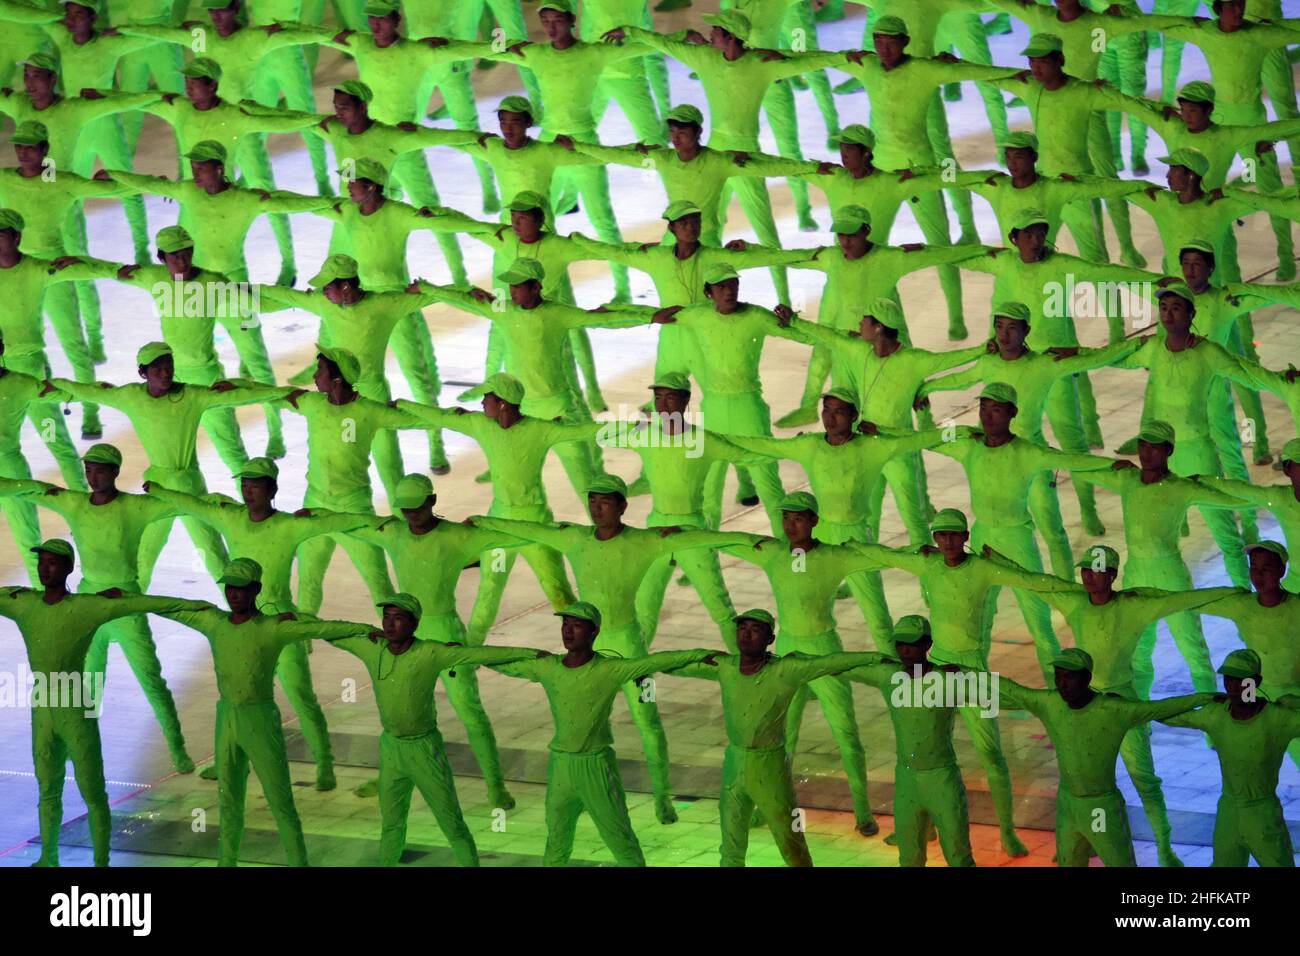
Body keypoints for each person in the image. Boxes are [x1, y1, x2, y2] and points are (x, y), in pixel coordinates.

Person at [470, 473, 757, 823]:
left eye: (605, 501)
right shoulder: (575, 538)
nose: (596, 508)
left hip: (629, 646)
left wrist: (749, 539)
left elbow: (699, 538)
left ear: (622, 505)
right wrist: (483, 521)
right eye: (592, 501)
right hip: (588, 651)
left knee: (647, 720)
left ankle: (662, 797)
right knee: (580, 722)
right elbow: (531, 530)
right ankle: (584, 790)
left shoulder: (643, 541)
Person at [853, 507, 1085, 856]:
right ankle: (921, 824)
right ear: (935, 539)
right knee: (922, 746)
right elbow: (886, 556)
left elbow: (1032, 582)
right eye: (940, 535)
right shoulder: (928, 563)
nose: (946, 542)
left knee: (991, 752)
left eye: (953, 535)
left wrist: (1072, 589)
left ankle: (1007, 832)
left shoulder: (981, 568)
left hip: (970, 667)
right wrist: (846, 545)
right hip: (935, 666)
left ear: (966, 537)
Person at [143, 456, 377, 789]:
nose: (248, 492)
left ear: (272, 490)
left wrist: (370, 521)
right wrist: (160, 490)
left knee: (298, 693)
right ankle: (229, 762)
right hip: (242, 626)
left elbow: (336, 524)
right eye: (245, 485)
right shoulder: (231, 517)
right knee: (238, 698)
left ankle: (325, 763)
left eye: (256, 486)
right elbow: (195, 507)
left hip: (280, 622)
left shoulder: (288, 525)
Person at [154, 558, 375, 866]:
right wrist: (128, 600)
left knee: (280, 799)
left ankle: (299, 862)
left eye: (241, 589)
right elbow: (176, 606)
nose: (233, 594)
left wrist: (366, 629)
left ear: (255, 590)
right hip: (226, 717)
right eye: (230, 587)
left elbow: (321, 627)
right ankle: (226, 861)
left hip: (260, 717)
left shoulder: (273, 628)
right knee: (228, 799)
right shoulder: (214, 622)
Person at [0, 538, 202, 867]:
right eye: (41, 561)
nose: (44, 567)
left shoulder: (86, 606)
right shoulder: (25, 603)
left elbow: (141, 603)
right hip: (43, 710)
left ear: (67, 568)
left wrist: (196, 607)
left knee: (92, 791)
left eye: (52, 562)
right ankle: (48, 856)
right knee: (47, 788)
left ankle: (101, 862)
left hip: (76, 708)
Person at [342, 472, 540, 805]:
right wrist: (308, 518)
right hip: (407, 633)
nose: (411, 516)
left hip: (445, 631)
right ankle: (388, 774)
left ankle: (495, 785)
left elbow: (514, 537)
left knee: (469, 711)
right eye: (405, 510)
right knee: (399, 711)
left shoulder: (457, 536)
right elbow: (350, 524)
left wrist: (496, 522)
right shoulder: (393, 532)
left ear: (432, 501)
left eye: (416, 508)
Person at [1036, 543, 1238, 866]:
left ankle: (1163, 846)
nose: (1088, 576)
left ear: (1113, 575)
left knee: (1144, 778)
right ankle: (1082, 838)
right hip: (1083, 705)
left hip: (1120, 702)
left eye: (1096, 571)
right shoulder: (1076, 602)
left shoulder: (1132, 607)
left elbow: (1176, 601)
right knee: (1082, 776)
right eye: (1085, 570)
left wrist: (1226, 592)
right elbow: (1038, 583)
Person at [0, 445, 197, 772]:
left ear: (116, 472)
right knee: (88, 681)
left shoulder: (135, 507)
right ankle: (78, 748)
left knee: (151, 678)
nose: (92, 477)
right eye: (88, 470)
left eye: (100, 470)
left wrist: (224, 506)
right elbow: (29, 489)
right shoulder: (76, 504)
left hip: (125, 601)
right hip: (88, 601)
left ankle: (177, 748)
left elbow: (184, 508)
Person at [717, 492, 897, 836]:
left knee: (846, 732)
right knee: (783, 735)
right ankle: (773, 806)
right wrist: (684, 531)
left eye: (798, 518)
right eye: (785, 518)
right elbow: (732, 541)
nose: (790, 525)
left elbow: (878, 557)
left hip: (823, 647)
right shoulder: (773, 554)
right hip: (786, 650)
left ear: (814, 521)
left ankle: (863, 810)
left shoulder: (833, 557)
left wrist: (922, 556)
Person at [488, 601, 715, 865]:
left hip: (596, 766)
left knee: (620, 839)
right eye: (565, 625)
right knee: (557, 841)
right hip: (561, 765)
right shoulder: (548, 667)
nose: (568, 632)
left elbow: (654, 661)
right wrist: (466, 654)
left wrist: (700, 653)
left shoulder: (608, 670)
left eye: (576, 626)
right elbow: (504, 663)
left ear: (594, 633)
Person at [320, 592, 541, 865]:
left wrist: (531, 653)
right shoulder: (372, 648)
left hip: (424, 748)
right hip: (391, 747)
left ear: (414, 624)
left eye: (398, 619)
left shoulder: (430, 653)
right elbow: (330, 632)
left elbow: (479, 654)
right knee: (391, 824)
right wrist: (363, 629)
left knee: (451, 822)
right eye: (386, 618)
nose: (389, 625)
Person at [46, 343, 285, 586]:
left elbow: (237, 396)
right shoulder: (131, 396)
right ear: (143, 373)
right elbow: (92, 392)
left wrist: (282, 393)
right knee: (145, 556)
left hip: (189, 486)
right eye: (158, 369)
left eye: (169, 367)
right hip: (157, 489)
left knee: (212, 552)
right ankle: (130, 608)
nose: (165, 373)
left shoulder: (190, 395)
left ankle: (239, 609)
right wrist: (53, 386)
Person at [664, 608, 882, 866]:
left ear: (770, 639)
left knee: (790, 843)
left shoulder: (784, 670)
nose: (746, 635)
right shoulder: (725, 666)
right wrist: (654, 664)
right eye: (742, 629)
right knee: (731, 845)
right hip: (734, 763)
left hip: (770, 766)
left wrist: (877, 656)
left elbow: (830, 662)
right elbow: (677, 665)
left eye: (755, 630)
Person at [930, 382, 1115, 676]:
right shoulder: (970, 448)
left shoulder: (1027, 452)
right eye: (983, 409)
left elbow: (1071, 461)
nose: (987, 417)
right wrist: (927, 419)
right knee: (979, 615)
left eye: (996, 411)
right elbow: (933, 440)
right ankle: (974, 681)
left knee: (1037, 618)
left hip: (1016, 538)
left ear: (1012, 413)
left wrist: (1114, 465)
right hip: (981, 536)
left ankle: (1056, 686)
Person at [919, 301, 1141, 542]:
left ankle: (1089, 514)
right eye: (999, 326)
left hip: (1029, 453)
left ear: (1026, 331)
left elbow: (1098, 359)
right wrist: (927, 388)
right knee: (993, 523)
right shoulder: (989, 363)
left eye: (1012, 328)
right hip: (991, 453)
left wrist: (1134, 343)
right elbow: (959, 380)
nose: (1004, 334)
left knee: (1052, 529)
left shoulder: (1043, 365)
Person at [780, 298, 987, 544]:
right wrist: (794, 321)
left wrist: (984, 349)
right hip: (865, 446)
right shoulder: (860, 351)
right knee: (868, 512)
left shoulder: (912, 360)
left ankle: (927, 576)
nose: (859, 323)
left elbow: (952, 359)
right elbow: (830, 336)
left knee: (913, 515)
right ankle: (862, 571)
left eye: (865, 319)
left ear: (878, 327)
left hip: (899, 448)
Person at [392, 375, 580, 645]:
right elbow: (444, 417)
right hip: (498, 525)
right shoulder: (481, 425)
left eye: (486, 398)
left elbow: (583, 431)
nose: (482, 402)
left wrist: (634, 427)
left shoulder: (539, 430)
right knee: (490, 589)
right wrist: (404, 404)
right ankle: (472, 649)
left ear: (502, 404)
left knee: (557, 589)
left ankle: (587, 646)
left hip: (534, 526)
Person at [1072, 423, 1253, 695]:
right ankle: (1138, 719)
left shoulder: (1181, 488)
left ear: (1168, 450)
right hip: (1136, 573)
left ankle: (1210, 727)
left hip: (1170, 573)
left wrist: (1278, 497)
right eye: (1142, 446)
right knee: (1138, 650)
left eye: (1154, 447)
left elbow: (1231, 499)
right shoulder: (1127, 480)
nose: (1146, 453)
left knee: (1193, 647)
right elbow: (1088, 469)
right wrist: (1052, 457)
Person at [995, 648, 1213, 867]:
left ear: (1087, 678)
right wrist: (966, 672)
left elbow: (1159, 708)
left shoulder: (1112, 710)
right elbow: (1011, 689)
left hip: (1100, 808)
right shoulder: (1050, 703)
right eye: (1058, 676)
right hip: (1068, 805)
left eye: (1068, 676)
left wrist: (1205, 697)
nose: (1062, 683)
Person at [257, 253, 448, 485]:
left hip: (373, 397)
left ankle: (403, 508)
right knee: (340, 462)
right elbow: (285, 295)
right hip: (338, 398)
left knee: (388, 463)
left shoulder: (383, 305)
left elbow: (433, 297)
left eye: (328, 286)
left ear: (346, 285)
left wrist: (433, 288)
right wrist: (234, 291)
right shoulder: (324, 302)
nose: (324, 291)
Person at [277, 348, 415, 615]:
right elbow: (275, 395)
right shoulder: (313, 404)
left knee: (379, 584)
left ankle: (396, 646)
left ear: (337, 380)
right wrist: (235, 387)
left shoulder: (369, 411)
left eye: (320, 372)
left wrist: (469, 419)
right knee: (308, 582)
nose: (315, 377)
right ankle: (302, 649)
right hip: (315, 505)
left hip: (355, 510)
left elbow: (413, 421)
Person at [0, 120, 132, 377]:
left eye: (30, 147)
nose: (23, 152)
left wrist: (151, 182)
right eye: (19, 146)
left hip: (53, 267)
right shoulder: (4, 179)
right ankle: (37, 384)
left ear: (45, 149)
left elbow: (109, 188)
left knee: (70, 337)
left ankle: (91, 413)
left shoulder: (61, 182)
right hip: (13, 271)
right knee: (18, 340)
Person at [844, 615, 975, 868]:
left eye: (911, 644)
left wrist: (967, 672)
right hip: (906, 780)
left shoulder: (947, 680)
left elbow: (1001, 693)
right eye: (899, 644)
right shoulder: (889, 676)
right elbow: (840, 666)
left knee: (958, 857)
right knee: (909, 859)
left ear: (927, 644)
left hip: (942, 779)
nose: (904, 650)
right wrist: (872, 657)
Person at [1158, 648, 1300, 867]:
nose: (1233, 688)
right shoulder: (1216, 714)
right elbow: (1166, 715)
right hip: (1228, 811)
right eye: (1228, 680)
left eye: (1241, 681)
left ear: (1257, 681)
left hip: (1262, 812)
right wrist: (1199, 697)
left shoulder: (1278, 718)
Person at [1202, 541, 1300, 769]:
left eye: (1266, 568)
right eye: (1253, 567)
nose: (1258, 575)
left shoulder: (1296, 607)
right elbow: (1196, 602)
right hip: (1256, 696)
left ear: (1282, 571)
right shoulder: (1243, 605)